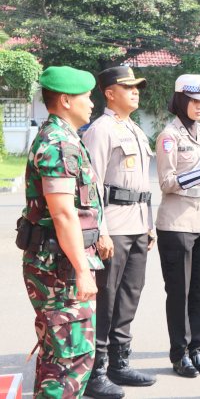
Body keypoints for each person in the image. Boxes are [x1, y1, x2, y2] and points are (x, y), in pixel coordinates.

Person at [19, 66, 113, 398]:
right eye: (86, 96)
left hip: (60, 264)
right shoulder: (58, 143)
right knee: (69, 361)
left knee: (58, 358)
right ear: (64, 100)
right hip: (60, 269)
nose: (91, 102)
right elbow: (62, 214)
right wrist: (82, 270)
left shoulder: (64, 137)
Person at [82, 67, 156, 399]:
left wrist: (149, 224)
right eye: (128, 87)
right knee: (107, 298)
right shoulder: (101, 130)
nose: (135, 92)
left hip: (138, 225)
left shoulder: (135, 130)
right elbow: (92, 186)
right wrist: (100, 230)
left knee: (130, 295)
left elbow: (142, 186)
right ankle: (96, 371)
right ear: (110, 93)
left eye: (137, 87)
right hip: (113, 227)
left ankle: (119, 363)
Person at [155, 74, 200, 377]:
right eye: (194, 101)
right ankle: (179, 353)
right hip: (177, 223)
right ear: (181, 100)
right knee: (180, 291)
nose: (199, 107)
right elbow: (167, 182)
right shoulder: (168, 136)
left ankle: (197, 348)